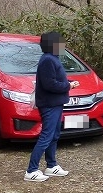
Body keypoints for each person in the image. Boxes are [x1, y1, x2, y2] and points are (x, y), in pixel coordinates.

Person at [24, 31, 79, 182]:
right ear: (53, 44)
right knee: (46, 136)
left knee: (54, 134)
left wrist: (68, 82)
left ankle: (51, 165)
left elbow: (55, 79)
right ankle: (31, 170)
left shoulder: (53, 58)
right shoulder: (47, 60)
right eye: (60, 43)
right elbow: (49, 84)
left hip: (56, 103)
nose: (63, 45)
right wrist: (68, 86)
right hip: (49, 104)